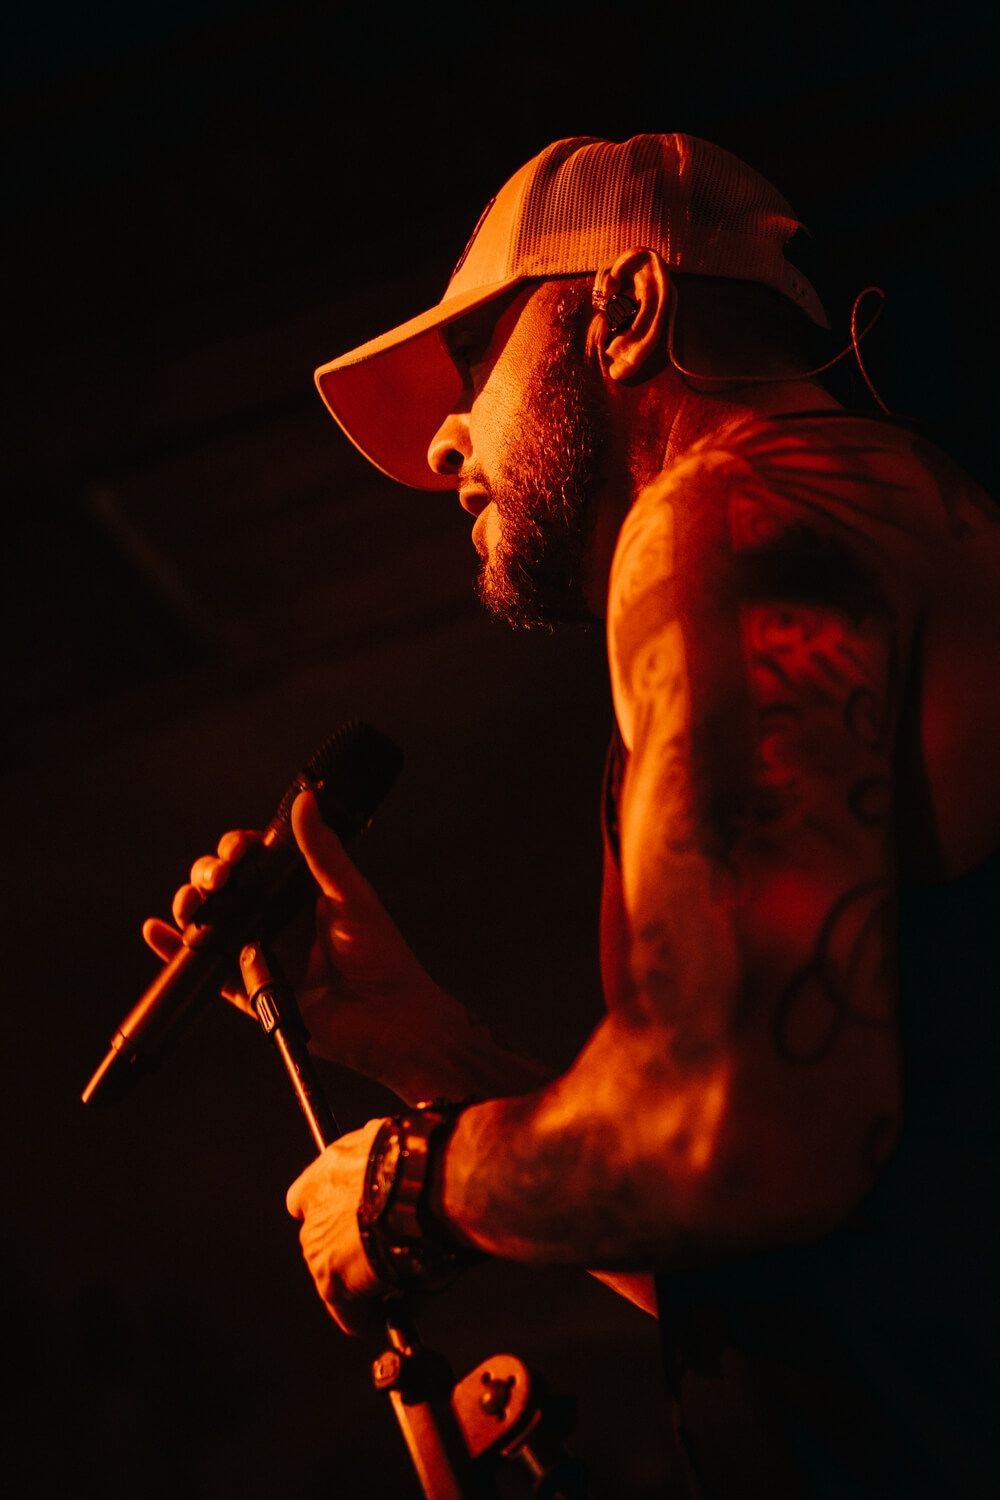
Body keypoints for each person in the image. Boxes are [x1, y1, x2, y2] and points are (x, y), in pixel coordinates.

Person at [144, 135, 1000, 1495]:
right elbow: (807, 1257)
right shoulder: (875, 516)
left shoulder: (732, 506)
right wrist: (434, 1054)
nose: (442, 437)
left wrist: (418, 1185)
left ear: (627, 311)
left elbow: (742, 1125)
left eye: (477, 358)